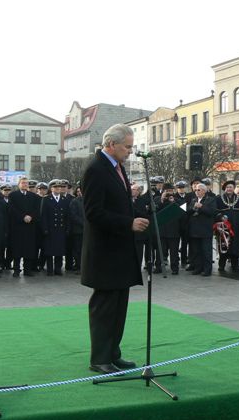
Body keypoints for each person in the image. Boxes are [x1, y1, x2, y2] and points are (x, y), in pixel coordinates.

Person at [81, 123, 148, 374]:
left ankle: (113, 353)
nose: (131, 151)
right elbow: (93, 212)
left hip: (119, 250)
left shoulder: (117, 167)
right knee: (105, 307)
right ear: (111, 144)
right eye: (127, 146)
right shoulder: (96, 169)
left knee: (119, 307)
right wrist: (127, 223)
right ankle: (99, 358)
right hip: (104, 253)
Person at [8, 177, 41, 277]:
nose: (25, 185)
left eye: (26, 183)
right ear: (19, 184)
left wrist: (31, 217)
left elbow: (37, 209)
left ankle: (27, 270)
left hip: (30, 226)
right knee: (17, 249)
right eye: (23, 183)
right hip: (17, 226)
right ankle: (16, 270)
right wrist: (23, 217)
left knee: (29, 249)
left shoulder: (34, 196)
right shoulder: (13, 195)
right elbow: (12, 209)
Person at [215, 180, 239, 272]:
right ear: (225, 189)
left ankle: (235, 264)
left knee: (236, 246)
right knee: (223, 245)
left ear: (234, 189)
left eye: (231, 187)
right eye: (227, 187)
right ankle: (221, 265)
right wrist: (220, 217)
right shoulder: (218, 199)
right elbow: (215, 212)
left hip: (237, 227)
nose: (229, 189)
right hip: (223, 227)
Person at [186, 183, 216, 276]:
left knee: (206, 251)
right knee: (196, 251)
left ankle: (207, 270)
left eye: (198, 190)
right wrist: (193, 207)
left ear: (204, 190)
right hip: (194, 230)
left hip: (205, 230)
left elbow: (212, 212)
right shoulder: (193, 200)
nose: (196, 191)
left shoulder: (210, 200)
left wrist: (201, 207)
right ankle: (198, 268)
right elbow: (188, 211)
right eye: (195, 190)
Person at [42, 179, 69, 276]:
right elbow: (43, 215)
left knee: (59, 250)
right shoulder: (46, 199)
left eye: (59, 187)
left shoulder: (64, 200)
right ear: (51, 188)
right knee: (49, 250)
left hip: (61, 229)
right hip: (50, 229)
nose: (58, 189)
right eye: (56, 187)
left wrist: (67, 228)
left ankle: (58, 269)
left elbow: (67, 216)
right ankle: (49, 269)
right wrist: (44, 228)